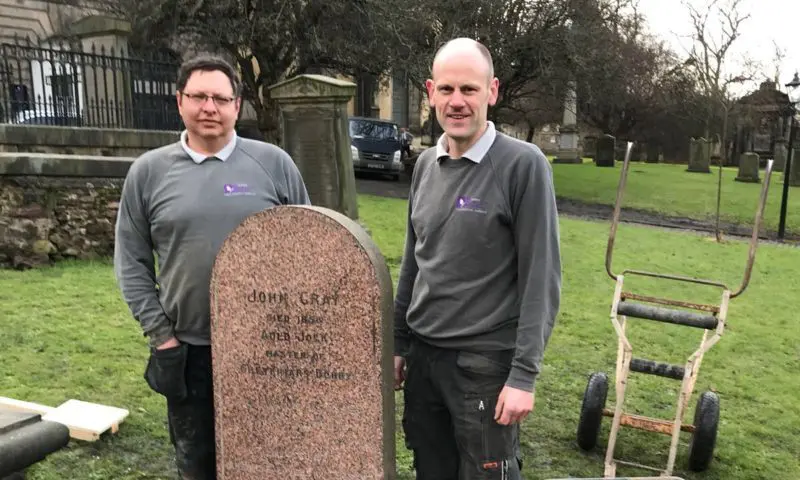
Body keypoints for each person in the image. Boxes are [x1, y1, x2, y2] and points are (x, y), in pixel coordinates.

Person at [113, 54, 310, 480]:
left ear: (237, 105)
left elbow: (308, 246)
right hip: (188, 349)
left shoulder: (273, 164)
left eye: (220, 98)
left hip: (268, 348)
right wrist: (161, 336)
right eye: (199, 97)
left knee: (270, 463)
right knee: (197, 462)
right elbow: (130, 260)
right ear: (179, 100)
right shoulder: (149, 172)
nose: (209, 107)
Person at [393, 38, 561, 479]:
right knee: (431, 470)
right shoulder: (425, 165)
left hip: (484, 365)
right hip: (424, 360)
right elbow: (415, 261)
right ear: (430, 92)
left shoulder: (523, 166)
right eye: (446, 90)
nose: (457, 102)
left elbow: (541, 278)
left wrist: (524, 376)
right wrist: (397, 342)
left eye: (469, 89)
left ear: (493, 91)